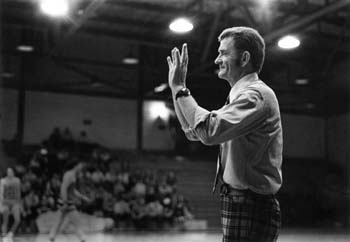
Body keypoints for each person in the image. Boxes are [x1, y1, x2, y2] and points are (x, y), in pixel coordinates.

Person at [167, 26, 282, 242]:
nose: (217, 59)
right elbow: (194, 132)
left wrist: (182, 89)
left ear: (245, 57)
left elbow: (208, 131)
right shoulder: (240, 96)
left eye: (223, 53)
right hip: (243, 203)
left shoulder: (256, 96)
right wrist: (176, 90)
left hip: (251, 205)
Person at [49, 160, 91, 242]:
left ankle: (52, 236)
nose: (81, 167)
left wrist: (82, 197)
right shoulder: (69, 175)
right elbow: (63, 188)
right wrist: (65, 202)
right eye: (80, 165)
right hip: (67, 201)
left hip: (67, 200)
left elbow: (73, 190)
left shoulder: (73, 175)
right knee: (75, 220)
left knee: (60, 219)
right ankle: (82, 237)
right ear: (76, 165)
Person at [0, 167, 22, 242]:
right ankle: (4, 234)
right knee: (5, 220)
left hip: (14, 202)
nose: (9, 173)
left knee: (18, 219)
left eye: (11, 171)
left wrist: (19, 203)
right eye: (8, 171)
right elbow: (1, 193)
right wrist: (2, 203)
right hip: (5, 202)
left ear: (13, 172)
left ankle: (11, 233)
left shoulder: (17, 180)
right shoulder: (3, 181)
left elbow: (19, 192)